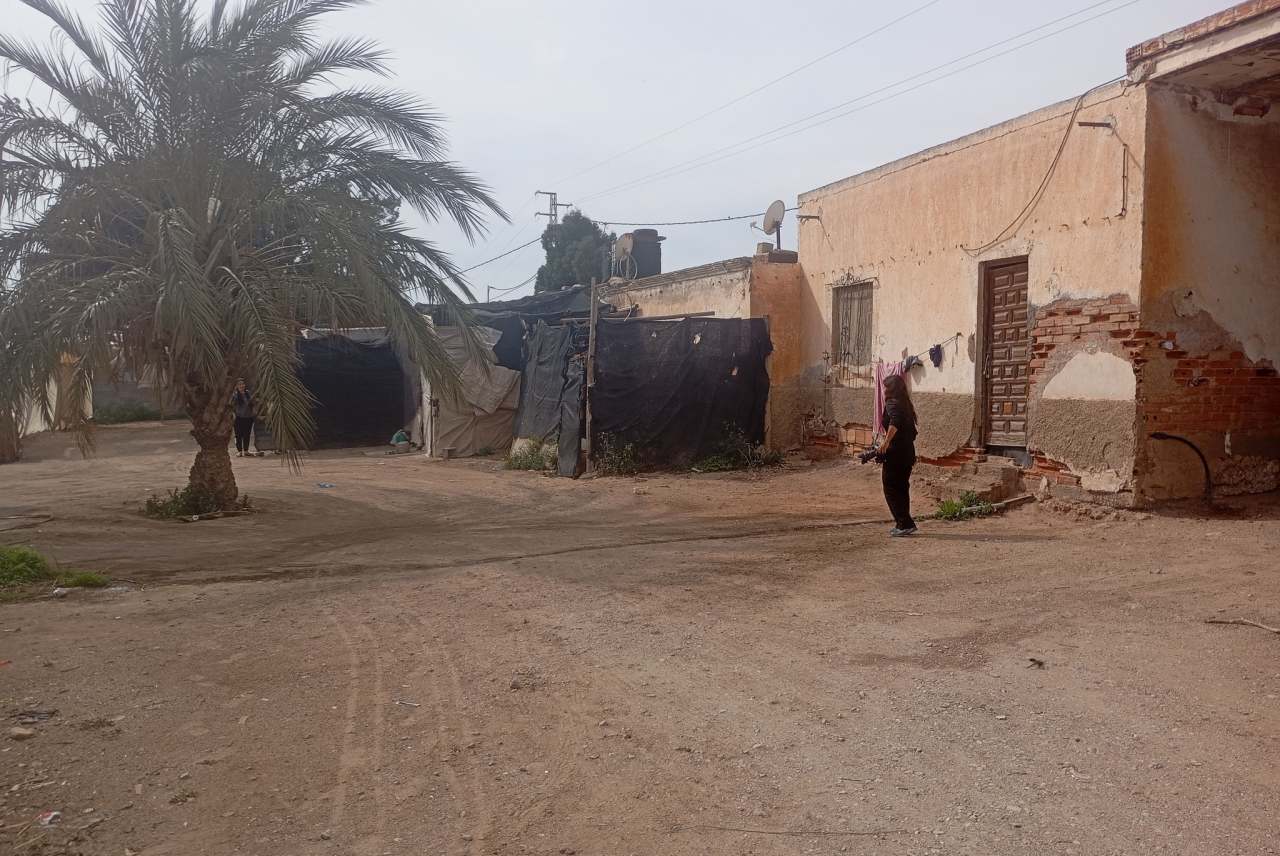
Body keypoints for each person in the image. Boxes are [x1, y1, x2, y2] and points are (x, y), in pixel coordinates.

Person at [875, 374, 918, 537]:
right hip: (907, 453)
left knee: (891, 487)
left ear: (891, 389)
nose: (884, 390)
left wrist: (885, 443)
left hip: (896, 454)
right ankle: (905, 523)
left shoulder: (892, 403)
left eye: (886, 387)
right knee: (901, 487)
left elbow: (895, 422)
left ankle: (903, 523)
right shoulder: (905, 404)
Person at [230, 379, 255, 458]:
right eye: (240, 384)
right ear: (236, 386)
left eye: (243, 384)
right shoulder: (235, 395)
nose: (242, 386)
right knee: (238, 435)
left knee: (247, 434)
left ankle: (246, 451)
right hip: (238, 418)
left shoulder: (248, 393)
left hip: (248, 417)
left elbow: (252, 403)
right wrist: (233, 414)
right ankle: (239, 451)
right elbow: (231, 406)